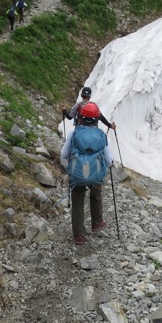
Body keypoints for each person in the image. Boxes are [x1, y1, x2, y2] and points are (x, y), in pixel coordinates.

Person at [61, 102, 114, 245]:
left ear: (80, 117)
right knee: (96, 192)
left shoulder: (73, 133)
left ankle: (78, 234)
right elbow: (109, 160)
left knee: (78, 200)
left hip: (77, 174)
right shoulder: (102, 135)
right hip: (95, 174)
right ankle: (96, 222)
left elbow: (64, 154)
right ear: (97, 119)